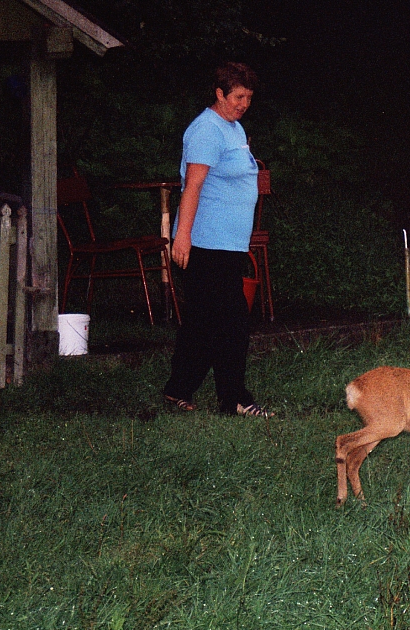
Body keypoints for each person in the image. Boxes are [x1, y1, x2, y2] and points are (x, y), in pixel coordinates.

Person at [162, 61, 272, 417]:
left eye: (248, 97)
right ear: (220, 93)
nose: (244, 104)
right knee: (231, 321)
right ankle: (234, 397)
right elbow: (192, 186)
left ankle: (178, 389)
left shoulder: (234, 129)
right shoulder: (206, 130)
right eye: (238, 97)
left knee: (203, 322)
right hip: (206, 243)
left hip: (229, 243)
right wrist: (182, 237)